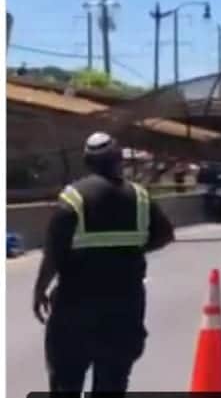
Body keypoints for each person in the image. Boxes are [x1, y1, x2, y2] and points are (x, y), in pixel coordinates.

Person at [32, 132, 175, 393]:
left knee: (66, 383)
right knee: (112, 384)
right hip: (125, 310)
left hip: (75, 310)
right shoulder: (140, 198)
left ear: (87, 161)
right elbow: (165, 234)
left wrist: (40, 290)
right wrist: (132, 249)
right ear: (119, 159)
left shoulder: (73, 199)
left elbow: (54, 251)